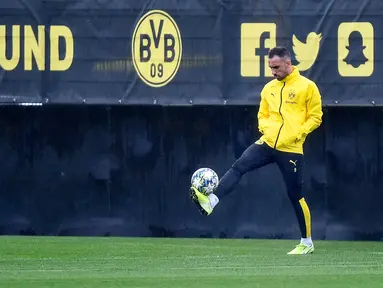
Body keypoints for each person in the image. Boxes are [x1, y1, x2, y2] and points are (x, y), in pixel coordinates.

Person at [190, 46, 323, 255]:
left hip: (291, 148)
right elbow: (263, 114)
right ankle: (211, 202)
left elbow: (316, 117)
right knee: (239, 166)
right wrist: (265, 128)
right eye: (270, 67)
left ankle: (306, 243)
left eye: (277, 67)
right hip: (267, 143)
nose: (273, 72)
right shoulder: (268, 88)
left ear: (288, 64)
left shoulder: (308, 87)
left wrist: (299, 133)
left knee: (295, 195)